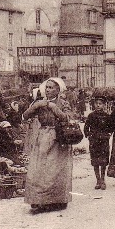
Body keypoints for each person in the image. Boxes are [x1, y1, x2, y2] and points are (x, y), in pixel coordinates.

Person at [21, 77, 74, 213]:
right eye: (47, 87)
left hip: (58, 138)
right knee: (39, 169)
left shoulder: (63, 103)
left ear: (58, 90)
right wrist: (36, 106)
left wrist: (54, 107)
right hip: (42, 136)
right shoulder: (39, 102)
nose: (48, 90)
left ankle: (58, 200)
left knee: (55, 170)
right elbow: (25, 116)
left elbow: (68, 118)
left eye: (51, 87)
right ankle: (38, 200)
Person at [84, 94, 115, 190]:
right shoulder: (91, 115)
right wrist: (88, 134)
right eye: (96, 103)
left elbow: (111, 127)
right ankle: (97, 180)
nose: (98, 105)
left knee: (103, 161)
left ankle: (103, 180)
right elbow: (86, 127)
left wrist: (108, 133)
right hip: (94, 141)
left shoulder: (107, 116)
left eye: (100, 104)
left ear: (104, 105)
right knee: (95, 161)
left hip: (104, 141)